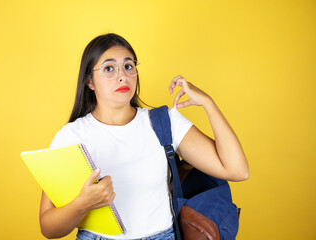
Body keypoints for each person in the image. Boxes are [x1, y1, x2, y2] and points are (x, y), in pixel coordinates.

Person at [39, 33, 249, 240]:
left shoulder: (166, 122)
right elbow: (48, 228)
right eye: (109, 68)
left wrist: (208, 103)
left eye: (129, 66)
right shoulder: (71, 136)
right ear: (90, 82)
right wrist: (82, 204)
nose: (122, 76)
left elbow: (237, 170)